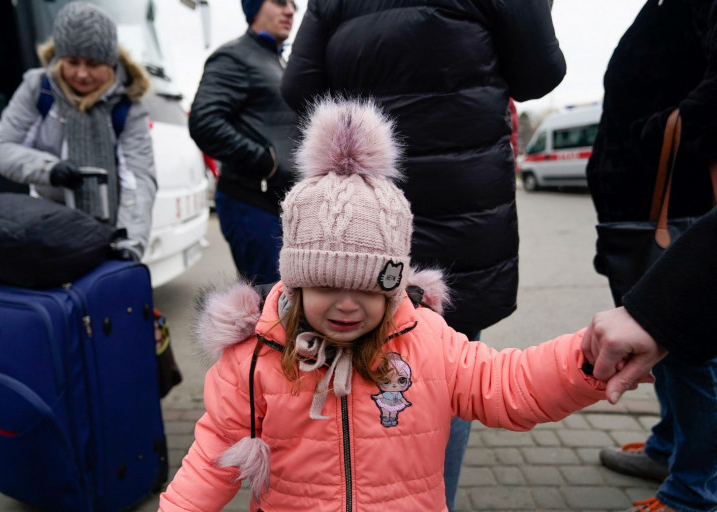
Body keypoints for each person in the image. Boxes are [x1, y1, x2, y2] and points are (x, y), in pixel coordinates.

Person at [158, 99, 607, 512]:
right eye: (327, 285)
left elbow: (509, 383)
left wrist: (588, 358)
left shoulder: (426, 341)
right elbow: (212, 456)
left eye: (370, 289)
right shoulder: (256, 356)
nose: (348, 305)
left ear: (393, 287)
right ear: (295, 283)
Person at [279, 1, 565, 508]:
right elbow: (540, 70)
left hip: (362, 207)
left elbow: (299, 86)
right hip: (460, 200)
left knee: (349, 344)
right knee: (446, 368)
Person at [585, 1, 717, 510]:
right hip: (639, 208)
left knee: (689, 354)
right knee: (658, 339)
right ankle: (668, 447)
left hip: (676, 206)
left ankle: (692, 490)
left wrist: (658, 133)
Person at [0, 1, 156, 262]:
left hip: (108, 233)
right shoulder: (38, 89)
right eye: (72, 61)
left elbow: (138, 179)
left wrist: (130, 242)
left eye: (92, 63)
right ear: (59, 58)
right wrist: (49, 169)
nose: (81, 73)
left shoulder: (127, 106)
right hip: (47, 231)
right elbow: (0, 146)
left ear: (110, 62)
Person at [187, 0, 298, 286]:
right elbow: (205, 121)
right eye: (280, 2)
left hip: (276, 203)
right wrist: (265, 161)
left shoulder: (277, 59)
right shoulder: (234, 57)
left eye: (293, 4)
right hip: (249, 201)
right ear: (254, 8)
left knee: (286, 302)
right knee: (271, 304)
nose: (290, 11)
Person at [583, 206, 717, 403]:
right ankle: (667, 432)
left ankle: (695, 434)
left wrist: (655, 310)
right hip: (651, 248)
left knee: (690, 372)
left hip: (679, 247)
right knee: (658, 359)